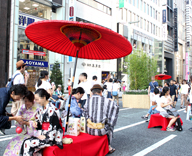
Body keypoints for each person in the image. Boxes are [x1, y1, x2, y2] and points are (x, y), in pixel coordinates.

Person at [19, 89, 63, 155]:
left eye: (37, 99)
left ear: (44, 97)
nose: (36, 101)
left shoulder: (52, 109)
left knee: (27, 143)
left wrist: (44, 136)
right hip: (43, 133)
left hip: (51, 137)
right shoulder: (41, 109)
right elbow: (38, 121)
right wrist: (36, 123)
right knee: (25, 141)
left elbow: (54, 128)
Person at [84, 84, 119, 154]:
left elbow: (84, 114)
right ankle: (109, 146)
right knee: (110, 125)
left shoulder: (87, 101)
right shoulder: (106, 101)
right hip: (101, 130)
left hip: (89, 129)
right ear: (101, 92)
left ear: (92, 93)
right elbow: (116, 108)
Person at [4, 91, 40, 156]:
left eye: (29, 101)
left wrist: (26, 123)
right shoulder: (22, 108)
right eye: (25, 101)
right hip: (23, 132)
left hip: (33, 132)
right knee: (14, 141)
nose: (27, 103)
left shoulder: (37, 109)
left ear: (32, 100)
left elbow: (38, 123)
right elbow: (17, 120)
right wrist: (19, 121)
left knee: (22, 143)